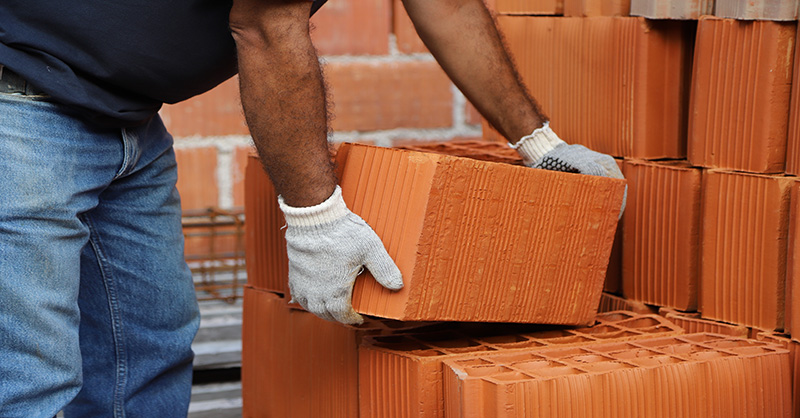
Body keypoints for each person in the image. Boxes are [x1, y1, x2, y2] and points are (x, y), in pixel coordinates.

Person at [0, 0, 623, 416]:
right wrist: (316, 220)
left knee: (144, 356)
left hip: (122, 115)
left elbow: (448, 3)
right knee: (32, 380)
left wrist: (538, 141)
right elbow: (267, 25)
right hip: (19, 104)